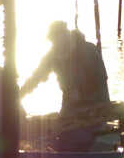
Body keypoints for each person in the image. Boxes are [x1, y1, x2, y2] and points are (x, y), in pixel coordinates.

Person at [19, 20, 110, 151]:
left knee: (76, 137)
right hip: (69, 106)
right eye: (53, 41)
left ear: (65, 35)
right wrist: (18, 95)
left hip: (96, 106)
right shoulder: (53, 54)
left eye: (56, 39)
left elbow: (101, 79)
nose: (55, 44)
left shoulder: (89, 51)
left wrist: (81, 92)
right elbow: (36, 77)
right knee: (60, 135)